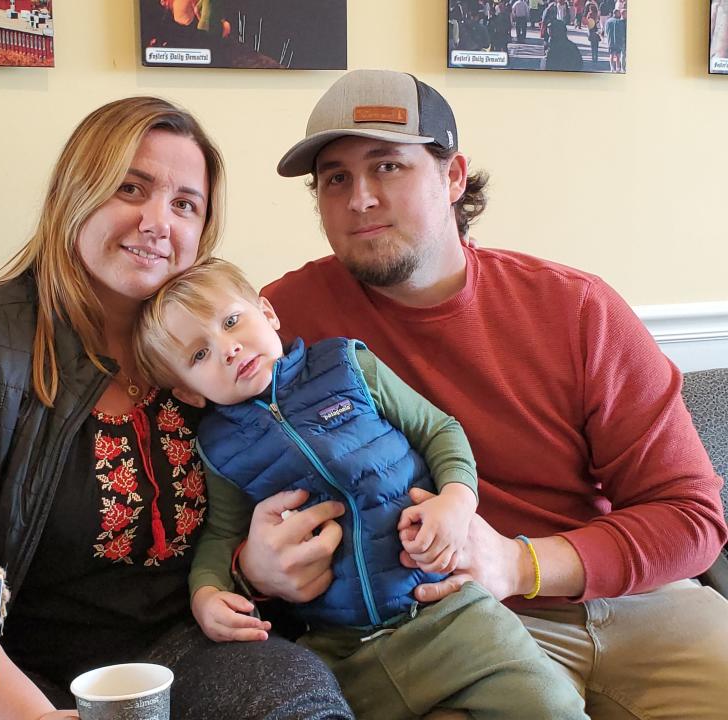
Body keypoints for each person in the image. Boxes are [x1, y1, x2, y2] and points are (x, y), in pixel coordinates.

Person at [0, 96, 353, 720]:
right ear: (75, 194)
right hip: (21, 671)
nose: (156, 222)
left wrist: (253, 568)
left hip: (193, 648)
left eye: (184, 204)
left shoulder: (214, 353)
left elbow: (262, 507)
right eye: (129, 188)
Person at [246, 68, 728, 718]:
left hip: (640, 600)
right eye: (335, 178)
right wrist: (254, 567)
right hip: (448, 628)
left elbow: (691, 514)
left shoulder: (576, 309)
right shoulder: (279, 324)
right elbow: (223, 486)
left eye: (387, 167)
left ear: (452, 177)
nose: (359, 198)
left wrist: (517, 563)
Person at [132, 258, 589, 719]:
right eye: (199, 355)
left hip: (448, 613)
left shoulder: (347, 365)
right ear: (188, 392)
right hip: (339, 645)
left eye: (231, 321)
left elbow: (439, 431)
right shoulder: (217, 446)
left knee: (551, 706)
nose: (227, 348)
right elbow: (223, 533)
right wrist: (206, 594)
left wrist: (456, 501)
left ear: (267, 313)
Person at [604, 8, 625, 72]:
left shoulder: (608, 21)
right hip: (618, 41)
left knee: (611, 55)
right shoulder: (620, 22)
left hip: (611, 41)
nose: (620, 14)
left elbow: (606, 31)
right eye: (619, 13)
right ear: (616, 13)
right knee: (618, 56)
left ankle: (612, 68)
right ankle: (618, 68)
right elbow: (622, 32)